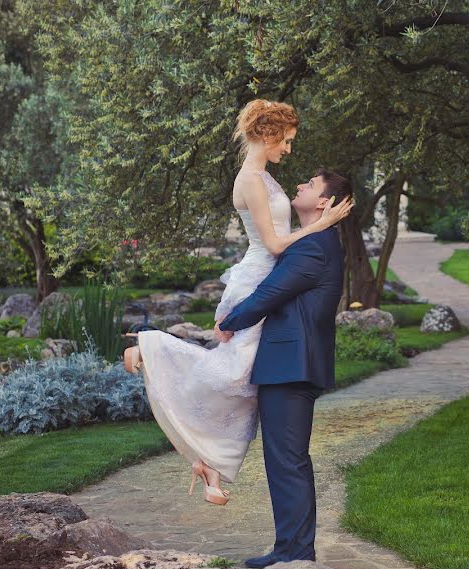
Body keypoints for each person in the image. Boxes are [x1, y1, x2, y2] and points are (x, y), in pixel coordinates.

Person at [122, 99, 353, 507]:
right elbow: (276, 244)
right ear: (268, 134)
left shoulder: (264, 176)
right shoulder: (250, 178)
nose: (289, 149)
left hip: (268, 274)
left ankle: (209, 461)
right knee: (232, 372)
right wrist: (322, 224)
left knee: (243, 382)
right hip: (258, 277)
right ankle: (152, 347)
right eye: (287, 140)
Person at [216, 165, 350, 569]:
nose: (300, 183)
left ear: (323, 202)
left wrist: (228, 320)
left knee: (287, 461)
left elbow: (271, 293)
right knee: (286, 460)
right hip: (290, 364)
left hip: (292, 366)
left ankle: (295, 553)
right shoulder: (315, 241)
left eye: (309, 183)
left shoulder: (315, 246)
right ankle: (291, 548)